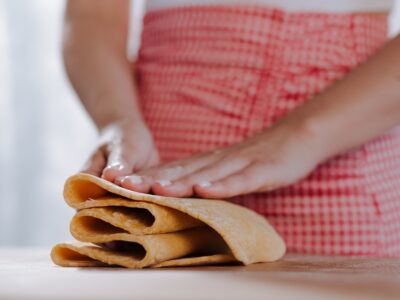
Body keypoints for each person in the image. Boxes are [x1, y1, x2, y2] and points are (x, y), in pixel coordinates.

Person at [63, 0, 400, 257]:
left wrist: (301, 138)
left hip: (336, 161)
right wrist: (118, 119)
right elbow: (93, 17)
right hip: (158, 177)